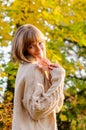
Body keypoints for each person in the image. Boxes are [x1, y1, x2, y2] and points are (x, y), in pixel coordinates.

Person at [11, 24, 65, 130]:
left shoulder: (26, 68)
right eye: (31, 46)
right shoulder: (33, 69)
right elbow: (37, 110)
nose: (39, 49)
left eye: (40, 43)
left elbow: (56, 107)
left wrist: (51, 77)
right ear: (23, 50)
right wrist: (59, 78)